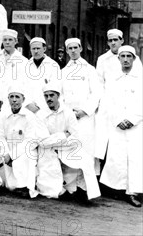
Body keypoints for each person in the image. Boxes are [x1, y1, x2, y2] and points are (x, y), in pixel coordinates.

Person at [36, 82, 101, 202]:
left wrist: (57, 141)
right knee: (50, 187)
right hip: (47, 151)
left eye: (51, 95)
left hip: (67, 147)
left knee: (84, 159)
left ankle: (84, 190)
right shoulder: (40, 115)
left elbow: (75, 136)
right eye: (46, 96)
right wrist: (63, 135)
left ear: (58, 96)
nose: (49, 99)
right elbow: (42, 141)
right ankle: (62, 190)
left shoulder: (68, 112)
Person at [100, 46, 143, 207]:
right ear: (118, 59)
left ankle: (133, 192)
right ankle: (118, 189)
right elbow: (107, 102)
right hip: (117, 124)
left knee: (135, 158)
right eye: (122, 56)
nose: (125, 59)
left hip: (136, 125)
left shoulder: (140, 78)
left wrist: (133, 119)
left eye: (128, 56)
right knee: (117, 157)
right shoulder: (113, 79)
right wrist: (118, 119)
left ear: (134, 58)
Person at [0, 86, 46, 198]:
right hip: (6, 152)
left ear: (23, 99)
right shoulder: (2, 116)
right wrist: (5, 153)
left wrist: (12, 155)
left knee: (26, 157)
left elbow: (30, 140)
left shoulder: (30, 117)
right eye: (12, 97)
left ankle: (24, 187)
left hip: (25, 151)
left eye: (17, 97)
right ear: (8, 99)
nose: (14, 100)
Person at [60, 38, 100, 171]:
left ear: (81, 49)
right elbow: (61, 95)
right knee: (71, 149)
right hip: (70, 116)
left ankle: (86, 187)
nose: (73, 51)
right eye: (70, 48)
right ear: (66, 51)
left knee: (86, 147)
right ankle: (72, 188)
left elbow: (96, 94)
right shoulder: (63, 72)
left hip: (86, 116)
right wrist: (68, 112)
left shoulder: (90, 69)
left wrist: (84, 111)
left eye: (75, 47)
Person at [95, 29, 126, 161]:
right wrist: (101, 102)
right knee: (104, 137)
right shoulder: (102, 59)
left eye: (116, 40)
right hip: (107, 102)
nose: (113, 43)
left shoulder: (130, 57)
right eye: (110, 40)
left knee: (121, 137)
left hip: (124, 102)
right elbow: (99, 82)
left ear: (122, 41)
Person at [23, 37, 62, 115]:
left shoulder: (53, 65)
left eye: (38, 48)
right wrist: (27, 104)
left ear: (44, 49)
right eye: (33, 49)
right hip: (28, 108)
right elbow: (21, 87)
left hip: (46, 109)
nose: (36, 51)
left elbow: (56, 88)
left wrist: (41, 107)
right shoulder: (25, 65)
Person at [0, 29, 28, 99]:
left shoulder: (23, 61)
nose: (7, 42)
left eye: (10, 40)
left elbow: (26, 83)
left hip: (13, 99)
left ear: (16, 41)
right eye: (5, 40)